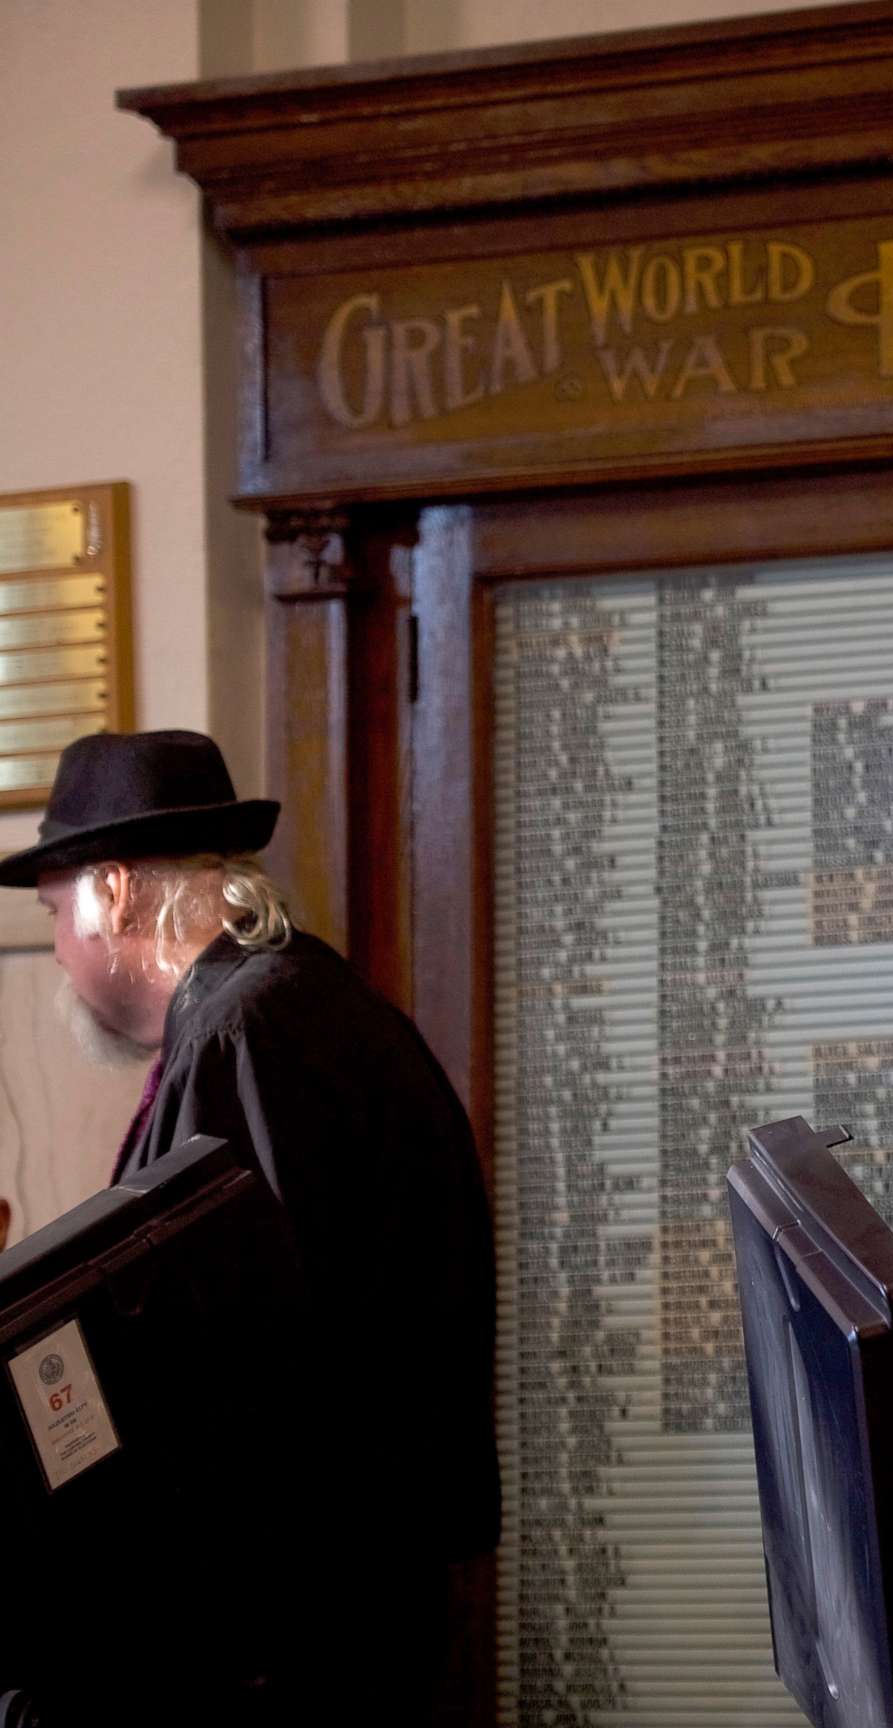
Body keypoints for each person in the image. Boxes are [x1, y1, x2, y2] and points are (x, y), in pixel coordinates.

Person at [0, 730, 499, 1725]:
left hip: (301, 1633)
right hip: (347, 1600)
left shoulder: (250, 1032)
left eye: (58, 912)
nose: (58, 947)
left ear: (116, 892)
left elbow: (226, 1358)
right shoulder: (289, 1000)